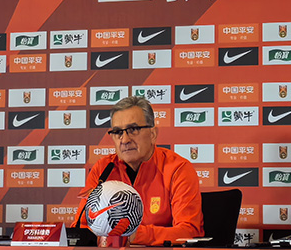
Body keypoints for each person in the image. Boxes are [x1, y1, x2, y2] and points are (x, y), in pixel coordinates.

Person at [76, 96, 203, 245]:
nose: (125, 140)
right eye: (118, 132)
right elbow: (81, 227)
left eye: (133, 129)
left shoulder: (177, 169)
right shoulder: (103, 170)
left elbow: (189, 232)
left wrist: (132, 234)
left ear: (153, 134)